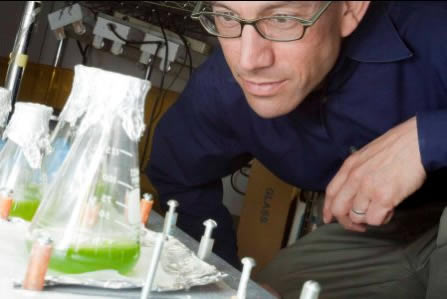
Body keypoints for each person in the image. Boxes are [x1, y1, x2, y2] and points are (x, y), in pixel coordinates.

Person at [147, 1, 447, 298]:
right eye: (227, 16)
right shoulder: (220, 90)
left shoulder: (431, 27)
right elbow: (180, 178)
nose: (249, 60)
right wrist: (223, 279)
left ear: (350, 9)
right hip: (391, 227)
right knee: (270, 291)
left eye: (282, 19)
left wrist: (425, 138)